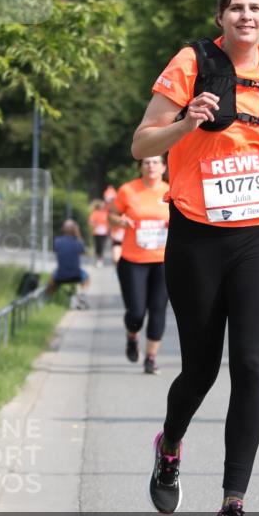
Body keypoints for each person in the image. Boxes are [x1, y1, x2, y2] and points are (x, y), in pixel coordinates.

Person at [131, 0, 259, 516]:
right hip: (197, 236)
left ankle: (232, 504)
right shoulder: (190, 62)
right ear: (221, 17)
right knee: (201, 369)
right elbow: (141, 143)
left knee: (252, 367)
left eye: (255, 8)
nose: (246, 16)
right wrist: (187, 121)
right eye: (235, 7)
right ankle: (170, 444)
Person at [110, 158, 170, 375]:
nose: (151, 166)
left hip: (164, 260)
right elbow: (112, 216)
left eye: (155, 163)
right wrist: (120, 221)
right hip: (133, 260)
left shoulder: (171, 190)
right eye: (146, 163)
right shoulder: (128, 190)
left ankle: (151, 358)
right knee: (136, 312)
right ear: (141, 168)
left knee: (158, 309)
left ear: (163, 168)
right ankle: (132, 336)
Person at [46, 219, 90, 307]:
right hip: (76, 275)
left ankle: (47, 299)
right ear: (74, 229)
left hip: (60, 275)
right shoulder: (78, 242)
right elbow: (83, 251)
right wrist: (77, 234)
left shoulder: (57, 241)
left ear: (63, 229)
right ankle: (82, 295)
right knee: (87, 277)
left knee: (51, 278)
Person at [88, 199, 110, 268]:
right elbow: (90, 222)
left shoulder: (106, 213)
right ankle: (98, 258)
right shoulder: (95, 213)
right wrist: (95, 224)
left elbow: (109, 222)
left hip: (104, 233)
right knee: (98, 246)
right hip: (97, 232)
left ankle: (100, 260)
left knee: (102, 246)